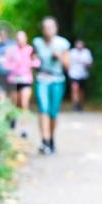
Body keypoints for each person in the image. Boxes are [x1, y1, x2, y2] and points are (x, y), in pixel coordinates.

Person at [32, 17, 71, 155]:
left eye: (51, 27)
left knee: (53, 112)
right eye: (45, 27)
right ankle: (44, 140)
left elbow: (68, 66)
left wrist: (59, 56)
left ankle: (52, 138)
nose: (48, 30)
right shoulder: (37, 43)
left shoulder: (63, 43)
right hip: (42, 78)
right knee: (43, 109)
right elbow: (33, 60)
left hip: (57, 80)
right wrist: (34, 62)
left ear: (56, 28)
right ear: (42, 30)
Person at [2, 30, 40, 135]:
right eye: (18, 38)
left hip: (26, 79)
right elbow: (5, 64)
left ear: (26, 38)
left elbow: (37, 62)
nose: (20, 40)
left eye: (22, 38)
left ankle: (24, 128)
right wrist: (14, 66)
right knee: (14, 103)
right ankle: (12, 120)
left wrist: (30, 64)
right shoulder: (11, 50)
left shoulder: (30, 50)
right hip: (13, 80)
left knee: (24, 104)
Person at [68, 40, 93, 111]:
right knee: (74, 89)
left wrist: (87, 64)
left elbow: (90, 63)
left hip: (83, 75)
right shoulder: (72, 52)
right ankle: (75, 104)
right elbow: (68, 62)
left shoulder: (86, 52)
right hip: (73, 74)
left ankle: (80, 104)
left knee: (81, 91)